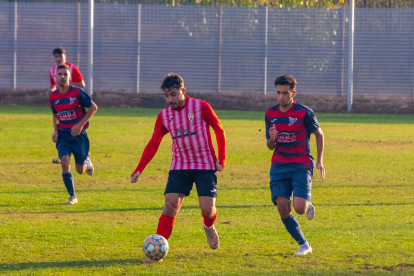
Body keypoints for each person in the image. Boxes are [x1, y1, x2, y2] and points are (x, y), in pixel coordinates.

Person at [130, 73, 226, 263]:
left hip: (205, 164)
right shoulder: (164, 116)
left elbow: (218, 129)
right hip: (180, 165)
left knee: (208, 210)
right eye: (166, 96)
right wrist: (139, 168)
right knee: (170, 204)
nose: (170, 100)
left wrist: (221, 158)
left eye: (173, 94)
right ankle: (156, 251)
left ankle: (209, 227)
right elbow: (154, 142)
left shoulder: (200, 107)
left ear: (183, 91)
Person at [265, 74, 325, 255]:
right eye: (278, 93)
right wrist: (272, 139)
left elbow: (319, 134)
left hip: (301, 164)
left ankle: (305, 202)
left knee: (299, 208)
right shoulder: (270, 114)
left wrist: (320, 161)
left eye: (285, 93)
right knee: (283, 207)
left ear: (293, 93)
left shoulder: (304, 112)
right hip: (279, 165)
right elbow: (269, 145)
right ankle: (304, 244)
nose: (281, 97)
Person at [50, 64, 97, 205]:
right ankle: (72, 196)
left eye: (65, 74)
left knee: (80, 170)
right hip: (63, 136)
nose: (63, 77)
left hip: (79, 136)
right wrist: (56, 131)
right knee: (64, 163)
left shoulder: (77, 92)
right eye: (60, 74)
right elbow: (55, 115)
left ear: (69, 77)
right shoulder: (53, 96)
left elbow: (93, 107)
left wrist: (80, 124)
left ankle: (87, 161)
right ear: (56, 77)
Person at [47, 47, 85, 164]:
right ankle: (63, 154)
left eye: (60, 56)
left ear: (65, 56)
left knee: (77, 128)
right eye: (56, 57)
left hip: (74, 103)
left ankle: (85, 152)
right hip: (60, 103)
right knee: (60, 126)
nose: (58, 59)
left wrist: (68, 84)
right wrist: (51, 90)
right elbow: (53, 85)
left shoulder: (73, 68)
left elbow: (82, 84)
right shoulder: (52, 70)